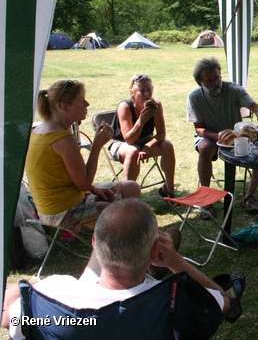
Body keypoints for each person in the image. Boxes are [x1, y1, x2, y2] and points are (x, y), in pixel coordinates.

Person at [2, 199, 239, 338]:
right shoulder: (172, 300)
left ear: (95, 243)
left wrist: (20, 291)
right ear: (154, 253)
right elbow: (223, 302)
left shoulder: (50, 295)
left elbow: (9, 320)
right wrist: (174, 260)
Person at [24, 80, 140, 232]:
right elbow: (83, 184)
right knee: (124, 214)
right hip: (62, 214)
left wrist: (93, 188)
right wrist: (97, 146)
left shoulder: (39, 130)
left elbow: (69, 179)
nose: (87, 104)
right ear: (65, 107)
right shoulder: (62, 139)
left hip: (62, 204)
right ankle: (147, 243)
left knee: (131, 187)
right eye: (81, 101)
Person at [186, 57, 258, 214]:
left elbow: (256, 107)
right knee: (204, 147)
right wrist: (218, 136)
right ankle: (205, 197)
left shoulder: (233, 89)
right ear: (200, 82)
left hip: (238, 137)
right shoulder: (195, 97)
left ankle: (249, 195)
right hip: (210, 136)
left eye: (217, 78)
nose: (215, 84)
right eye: (209, 81)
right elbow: (199, 129)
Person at [110, 74, 176, 198]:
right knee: (133, 150)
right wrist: (141, 121)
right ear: (132, 93)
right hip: (120, 143)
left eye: (149, 90)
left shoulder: (155, 104)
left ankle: (169, 190)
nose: (146, 94)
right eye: (142, 91)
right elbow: (129, 140)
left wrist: (148, 146)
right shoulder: (125, 106)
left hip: (144, 140)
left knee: (167, 145)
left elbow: (161, 133)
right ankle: (129, 196)